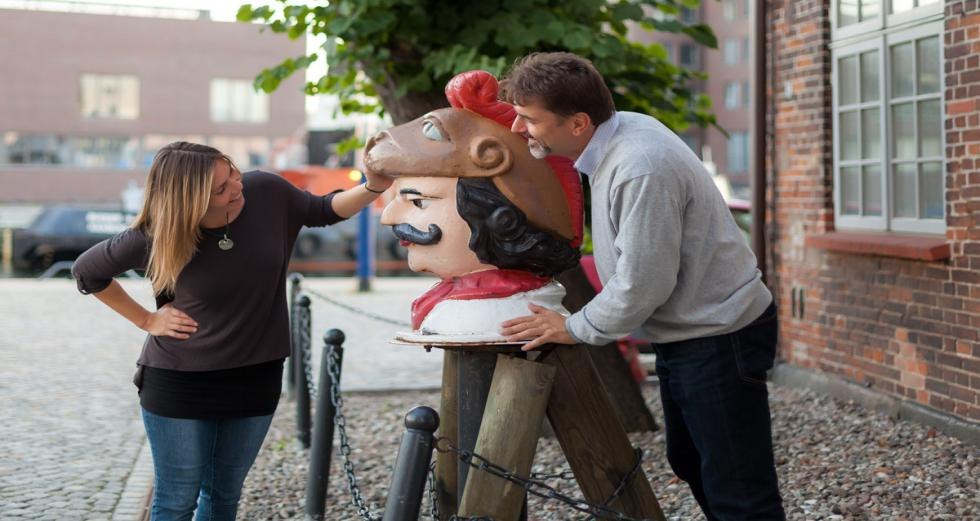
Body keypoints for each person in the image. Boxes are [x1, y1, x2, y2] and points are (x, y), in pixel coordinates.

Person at [498, 52, 785, 520]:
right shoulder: (618, 131)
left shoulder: (639, 165)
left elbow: (642, 284)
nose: (517, 128)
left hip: (718, 334)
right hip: (694, 330)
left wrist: (573, 327)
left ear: (577, 123)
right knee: (692, 462)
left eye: (529, 118)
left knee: (739, 489)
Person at [71, 141, 391, 521]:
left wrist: (374, 186)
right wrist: (147, 320)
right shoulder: (159, 234)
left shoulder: (267, 192)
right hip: (179, 382)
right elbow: (87, 272)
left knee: (224, 496)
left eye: (233, 173)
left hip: (256, 375)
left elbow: (322, 210)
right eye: (221, 189)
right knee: (177, 500)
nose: (237, 187)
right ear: (190, 202)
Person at [364, 70, 583, 343]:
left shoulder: (491, 314)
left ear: (501, 218)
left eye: (418, 201)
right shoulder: (453, 305)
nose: (388, 217)